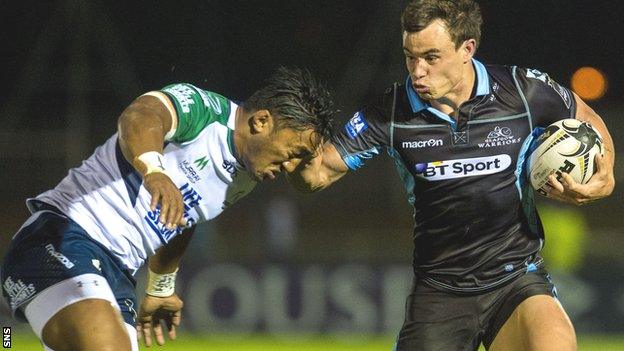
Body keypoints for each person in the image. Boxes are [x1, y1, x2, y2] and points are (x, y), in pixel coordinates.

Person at [287, 1, 615, 350]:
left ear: (466, 49)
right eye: (409, 56)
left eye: (431, 57)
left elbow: (585, 115)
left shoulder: (522, 91)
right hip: (440, 294)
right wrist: (295, 148)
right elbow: (317, 174)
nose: (417, 71)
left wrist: (605, 173)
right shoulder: (391, 113)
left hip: (517, 280)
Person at [1, 66, 335, 350]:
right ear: (261, 121)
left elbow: (182, 217)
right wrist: (154, 171)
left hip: (118, 276)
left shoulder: (245, 176)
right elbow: (141, 114)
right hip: (62, 238)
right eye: (293, 152)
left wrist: (161, 286)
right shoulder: (205, 112)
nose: (291, 166)